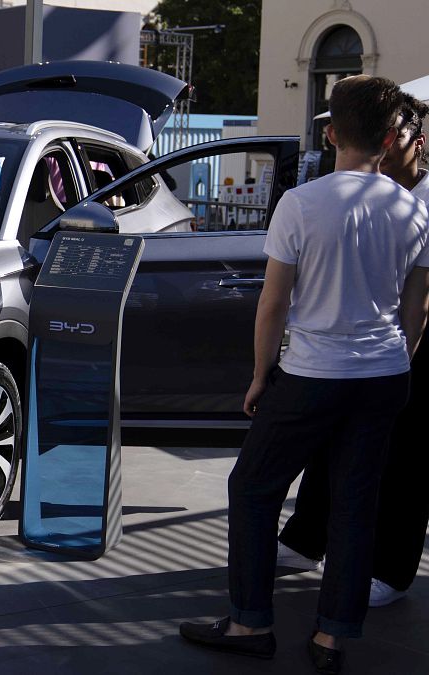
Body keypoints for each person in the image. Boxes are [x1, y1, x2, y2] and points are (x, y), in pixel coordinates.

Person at [179, 76, 429, 672]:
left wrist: (260, 374)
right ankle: (331, 639)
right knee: (355, 503)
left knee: (253, 487)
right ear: (390, 138)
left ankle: (249, 622)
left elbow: (273, 303)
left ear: (332, 134)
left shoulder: (301, 203)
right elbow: (418, 306)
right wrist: (398, 361)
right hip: (384, 374)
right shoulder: (413, 209)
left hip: (314, 372)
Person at [277, 93, 429, 609]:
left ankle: (391, 569)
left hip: (405, 348)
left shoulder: (420, 201)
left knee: (405, 459)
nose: (385, 145)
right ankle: (305, 540)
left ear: (416, 143)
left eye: (397, 135)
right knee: (331, 443)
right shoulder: (360, 188)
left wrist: (406, 355)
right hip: (357, 349)